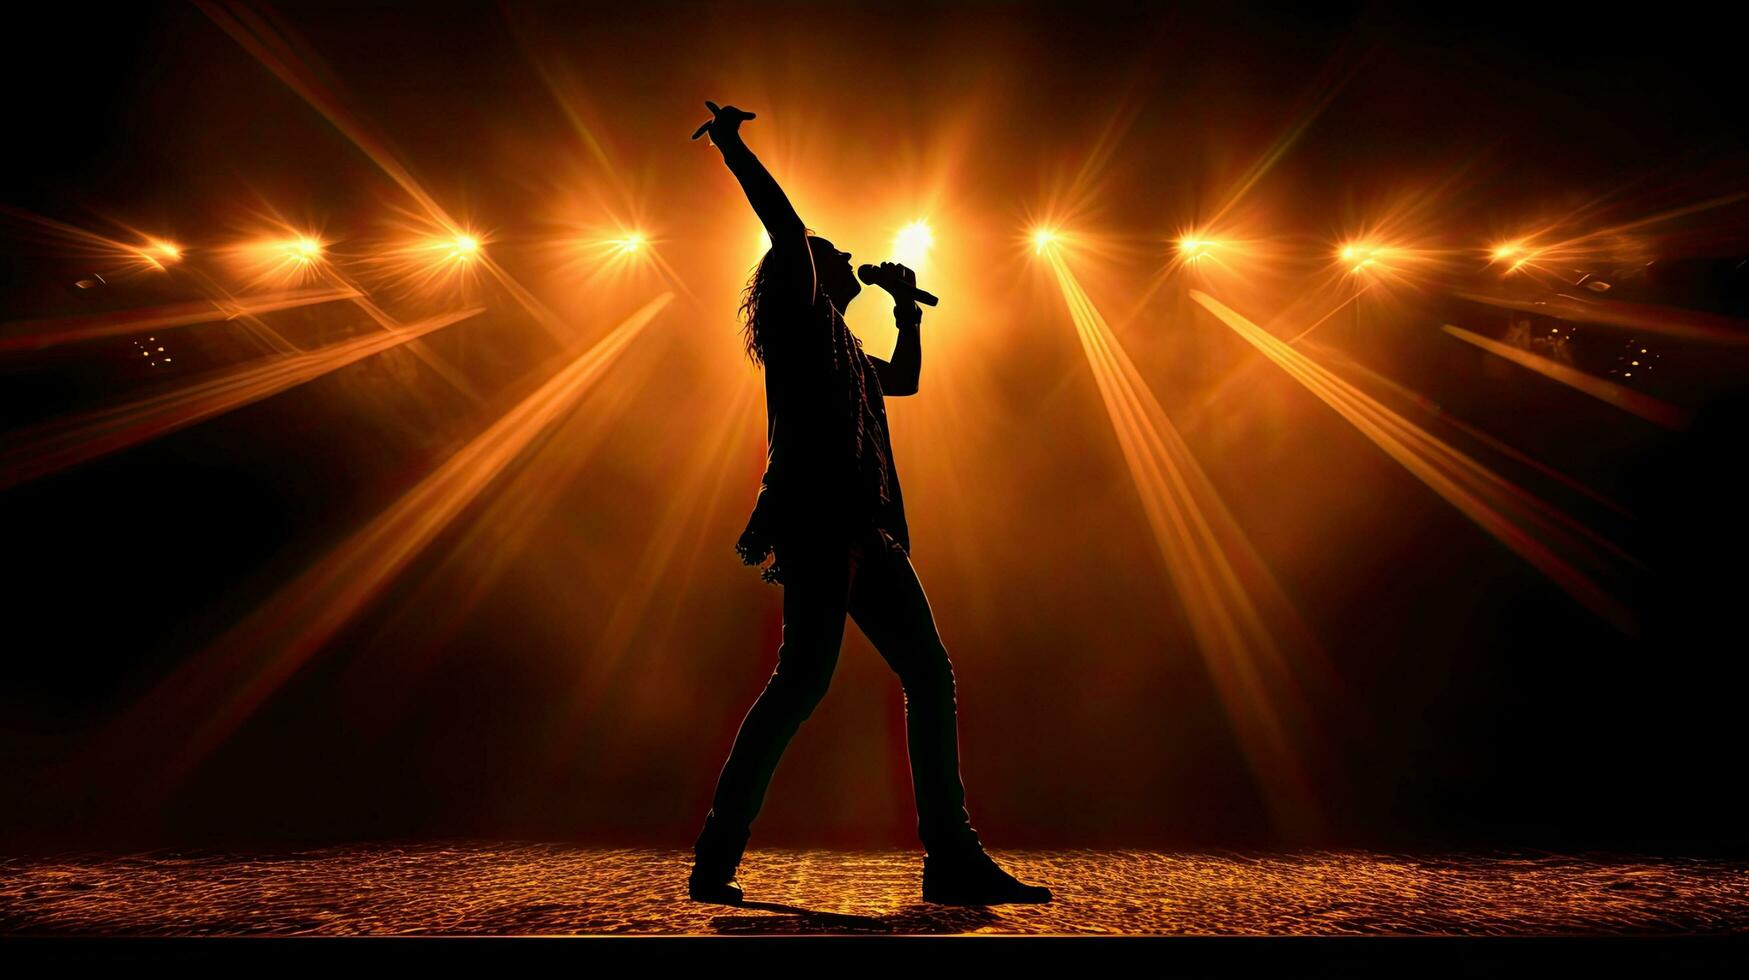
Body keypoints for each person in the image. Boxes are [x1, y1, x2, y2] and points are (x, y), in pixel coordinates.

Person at [686, 101, 1051, 907]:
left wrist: (904, 310)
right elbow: (786, 228)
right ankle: (715, 854)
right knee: (800, 686)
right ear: (807, 272)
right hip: (818, 526)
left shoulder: (845, 347)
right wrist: (734, 149)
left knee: (927, 673)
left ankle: (951, 857)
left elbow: (908, 380)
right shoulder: (799, 321)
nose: (850, 252)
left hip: (868, 531)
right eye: (833, 251)